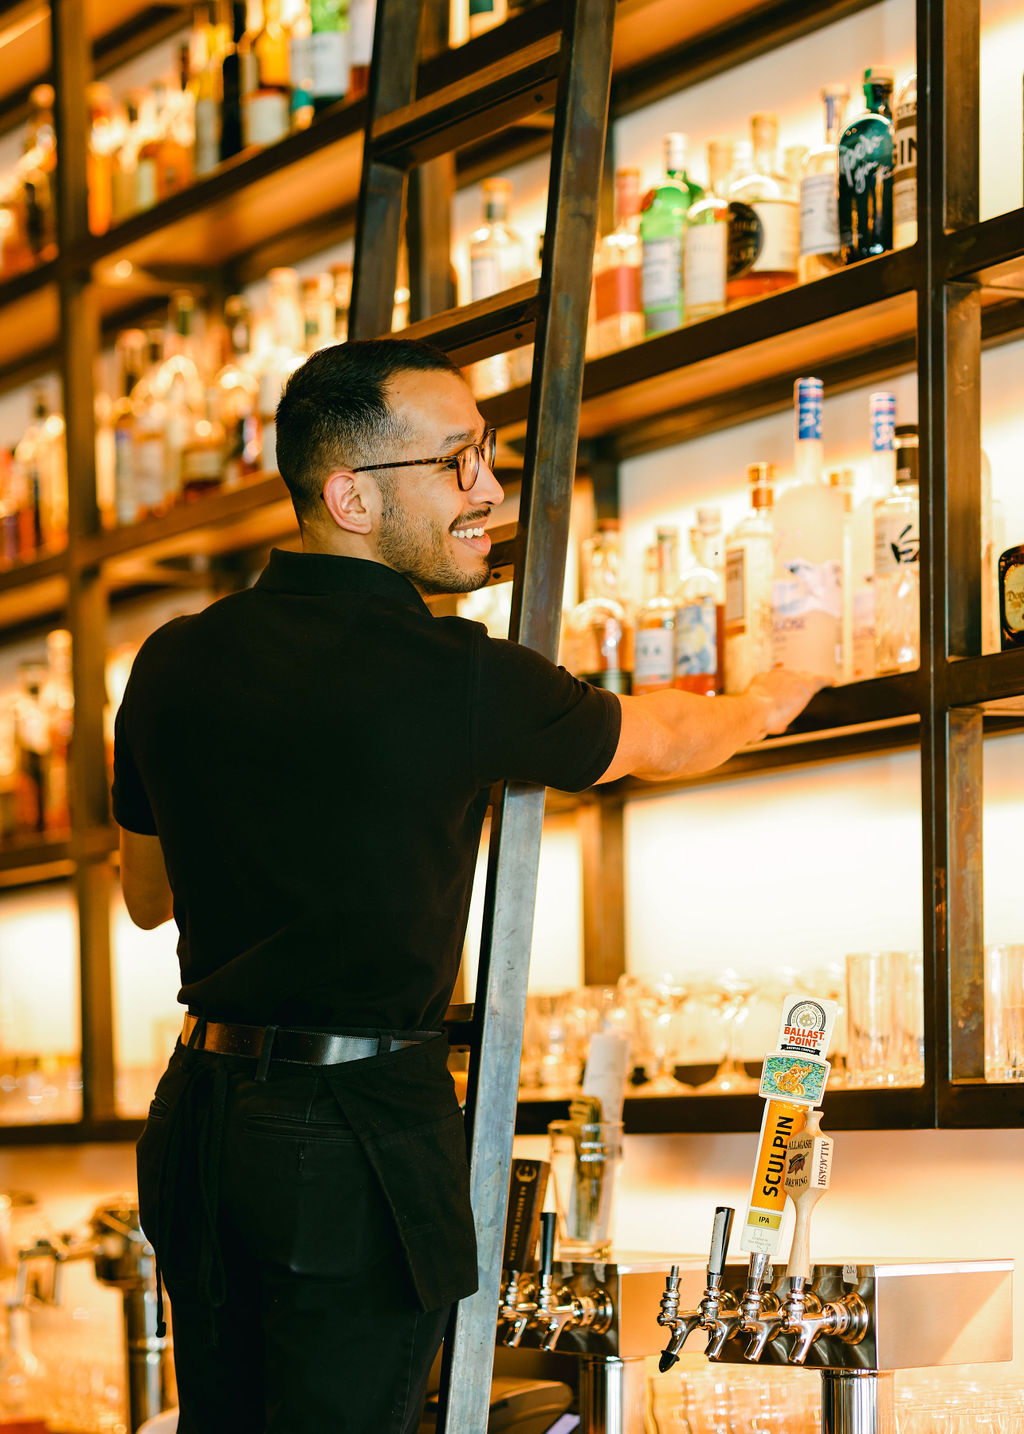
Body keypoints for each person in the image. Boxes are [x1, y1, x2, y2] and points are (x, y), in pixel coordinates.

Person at [113, 337, 823, 1434]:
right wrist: (784, 687)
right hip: (351, 1131)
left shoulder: (171, 660)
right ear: (350, 495)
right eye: (456, 464)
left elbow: (147, 894)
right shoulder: (455, 677)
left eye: (486, 458)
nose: (488, 491)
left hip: (203, 1119)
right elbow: (669, 734)